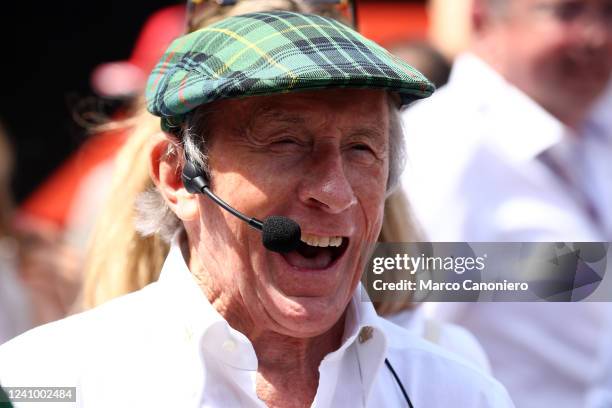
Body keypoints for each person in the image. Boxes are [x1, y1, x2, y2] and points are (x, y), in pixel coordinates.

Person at [0, 10, 514, 407]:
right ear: (179, 176)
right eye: (285, 142)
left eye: (363, 149)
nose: (335, 192)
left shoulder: (459, 391)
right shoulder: (44, 383)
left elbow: (579, 277)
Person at [399, 0, 612, 407]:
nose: (596, 36)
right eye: (566, 11)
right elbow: (397, 330)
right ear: (483, 20)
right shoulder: (443, 146)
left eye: (609, 13)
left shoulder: (591, 131)